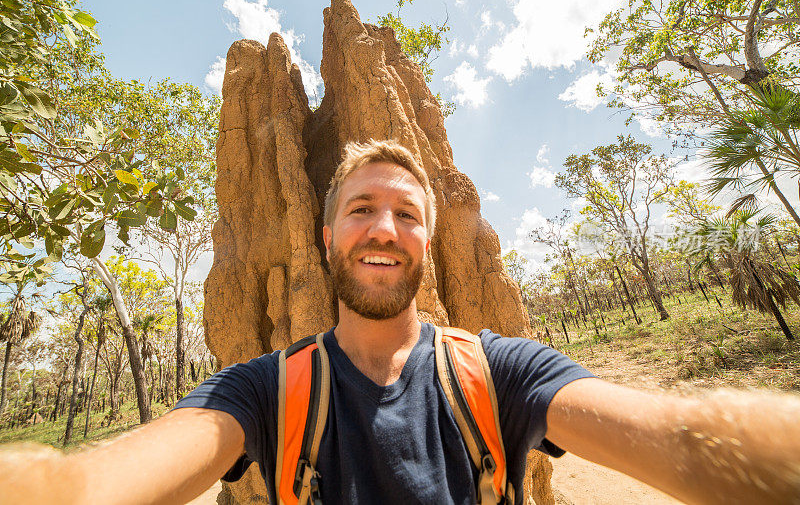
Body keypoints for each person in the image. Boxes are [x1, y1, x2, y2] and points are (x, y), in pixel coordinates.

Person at [1, 139, 799, 505]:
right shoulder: (262, 392)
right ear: (324, 237)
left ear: (431, 240)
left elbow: (693, 444)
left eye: (406, 214)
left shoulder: (498, 373)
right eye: (361, 208)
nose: (383, 227)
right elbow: (87, 485)